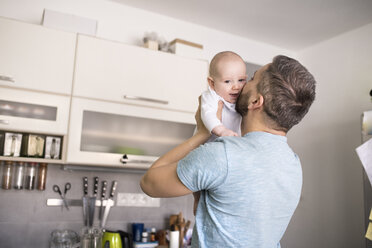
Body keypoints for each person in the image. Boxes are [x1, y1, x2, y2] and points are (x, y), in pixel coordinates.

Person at [140, 55, 316, 248]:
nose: (240, 85)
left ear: (256, 101)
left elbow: (149, 183)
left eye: (250, 79)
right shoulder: (293, 164)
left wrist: (201, 133)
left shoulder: (223, 155)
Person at [201, 51, 247, 141]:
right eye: (227, 81)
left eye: (241, 80)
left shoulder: (244, 97)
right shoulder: (212, 96)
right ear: (212, 83)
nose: (236, 87)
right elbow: (208, 115)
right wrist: (222, 131)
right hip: (209, 145)